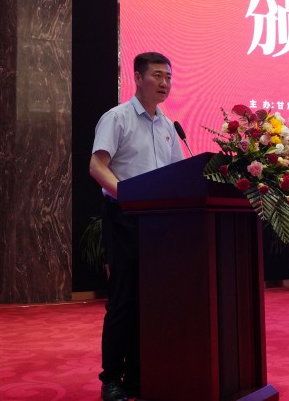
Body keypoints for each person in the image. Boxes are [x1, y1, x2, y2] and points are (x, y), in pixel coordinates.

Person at [89, 51, 185, 401]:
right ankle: (111, 378)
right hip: (124, 218)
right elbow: (97, 166)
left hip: (158, 224)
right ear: (138, 78)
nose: (164, 83)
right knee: (123, 302)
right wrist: (129, 195)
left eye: (168, 77)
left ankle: (139, 374)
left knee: (151, 301)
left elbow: (178, 174)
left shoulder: (168, 127)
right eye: (157, 75)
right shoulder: (117, 118)